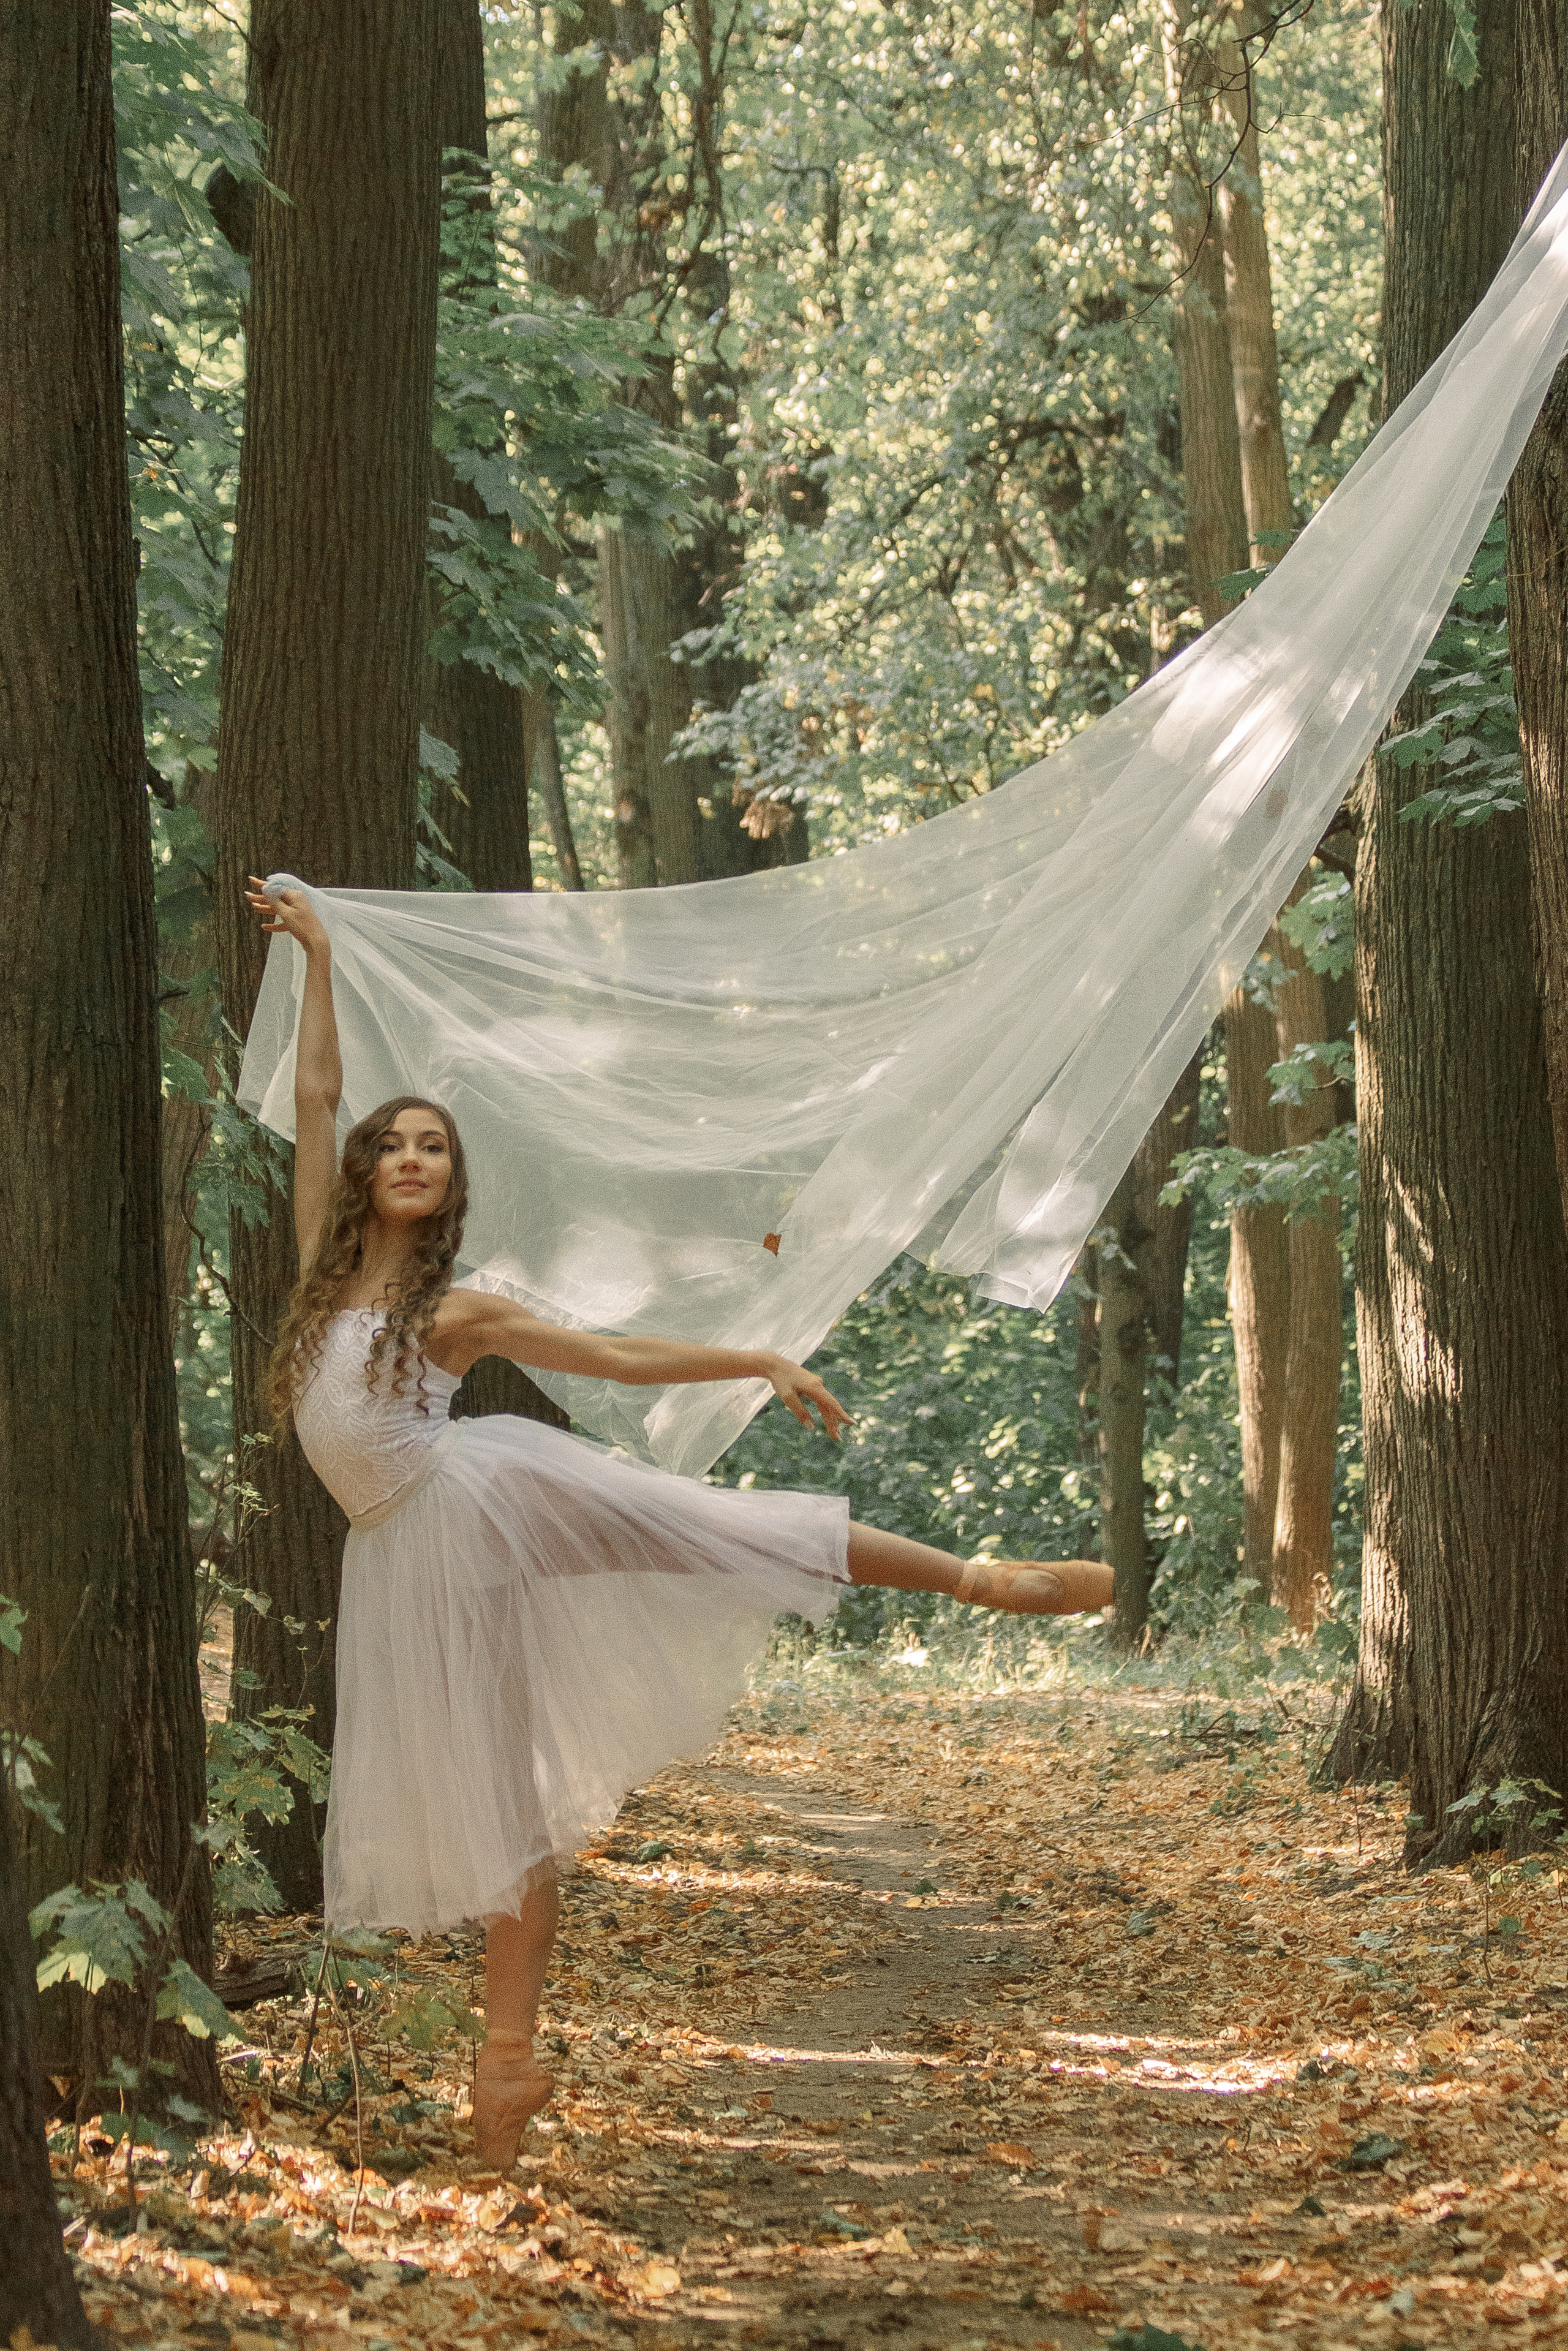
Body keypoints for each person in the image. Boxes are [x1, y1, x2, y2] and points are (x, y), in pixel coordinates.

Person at [246, 879, 1114, 2170]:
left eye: (437, 1145)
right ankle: (502, 2083)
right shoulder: (322, 1253)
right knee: (500, 1816)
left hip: (473, 1494)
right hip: (404, 1562)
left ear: (449, 1182)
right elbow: (312, 1097)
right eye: (400, 1143)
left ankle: (972, 1577)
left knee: (697, 1522)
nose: (415, 1157)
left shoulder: (458, 1308)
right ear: (369, 1172)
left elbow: (615, 1351)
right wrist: (319, 954)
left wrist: (750, 1355)